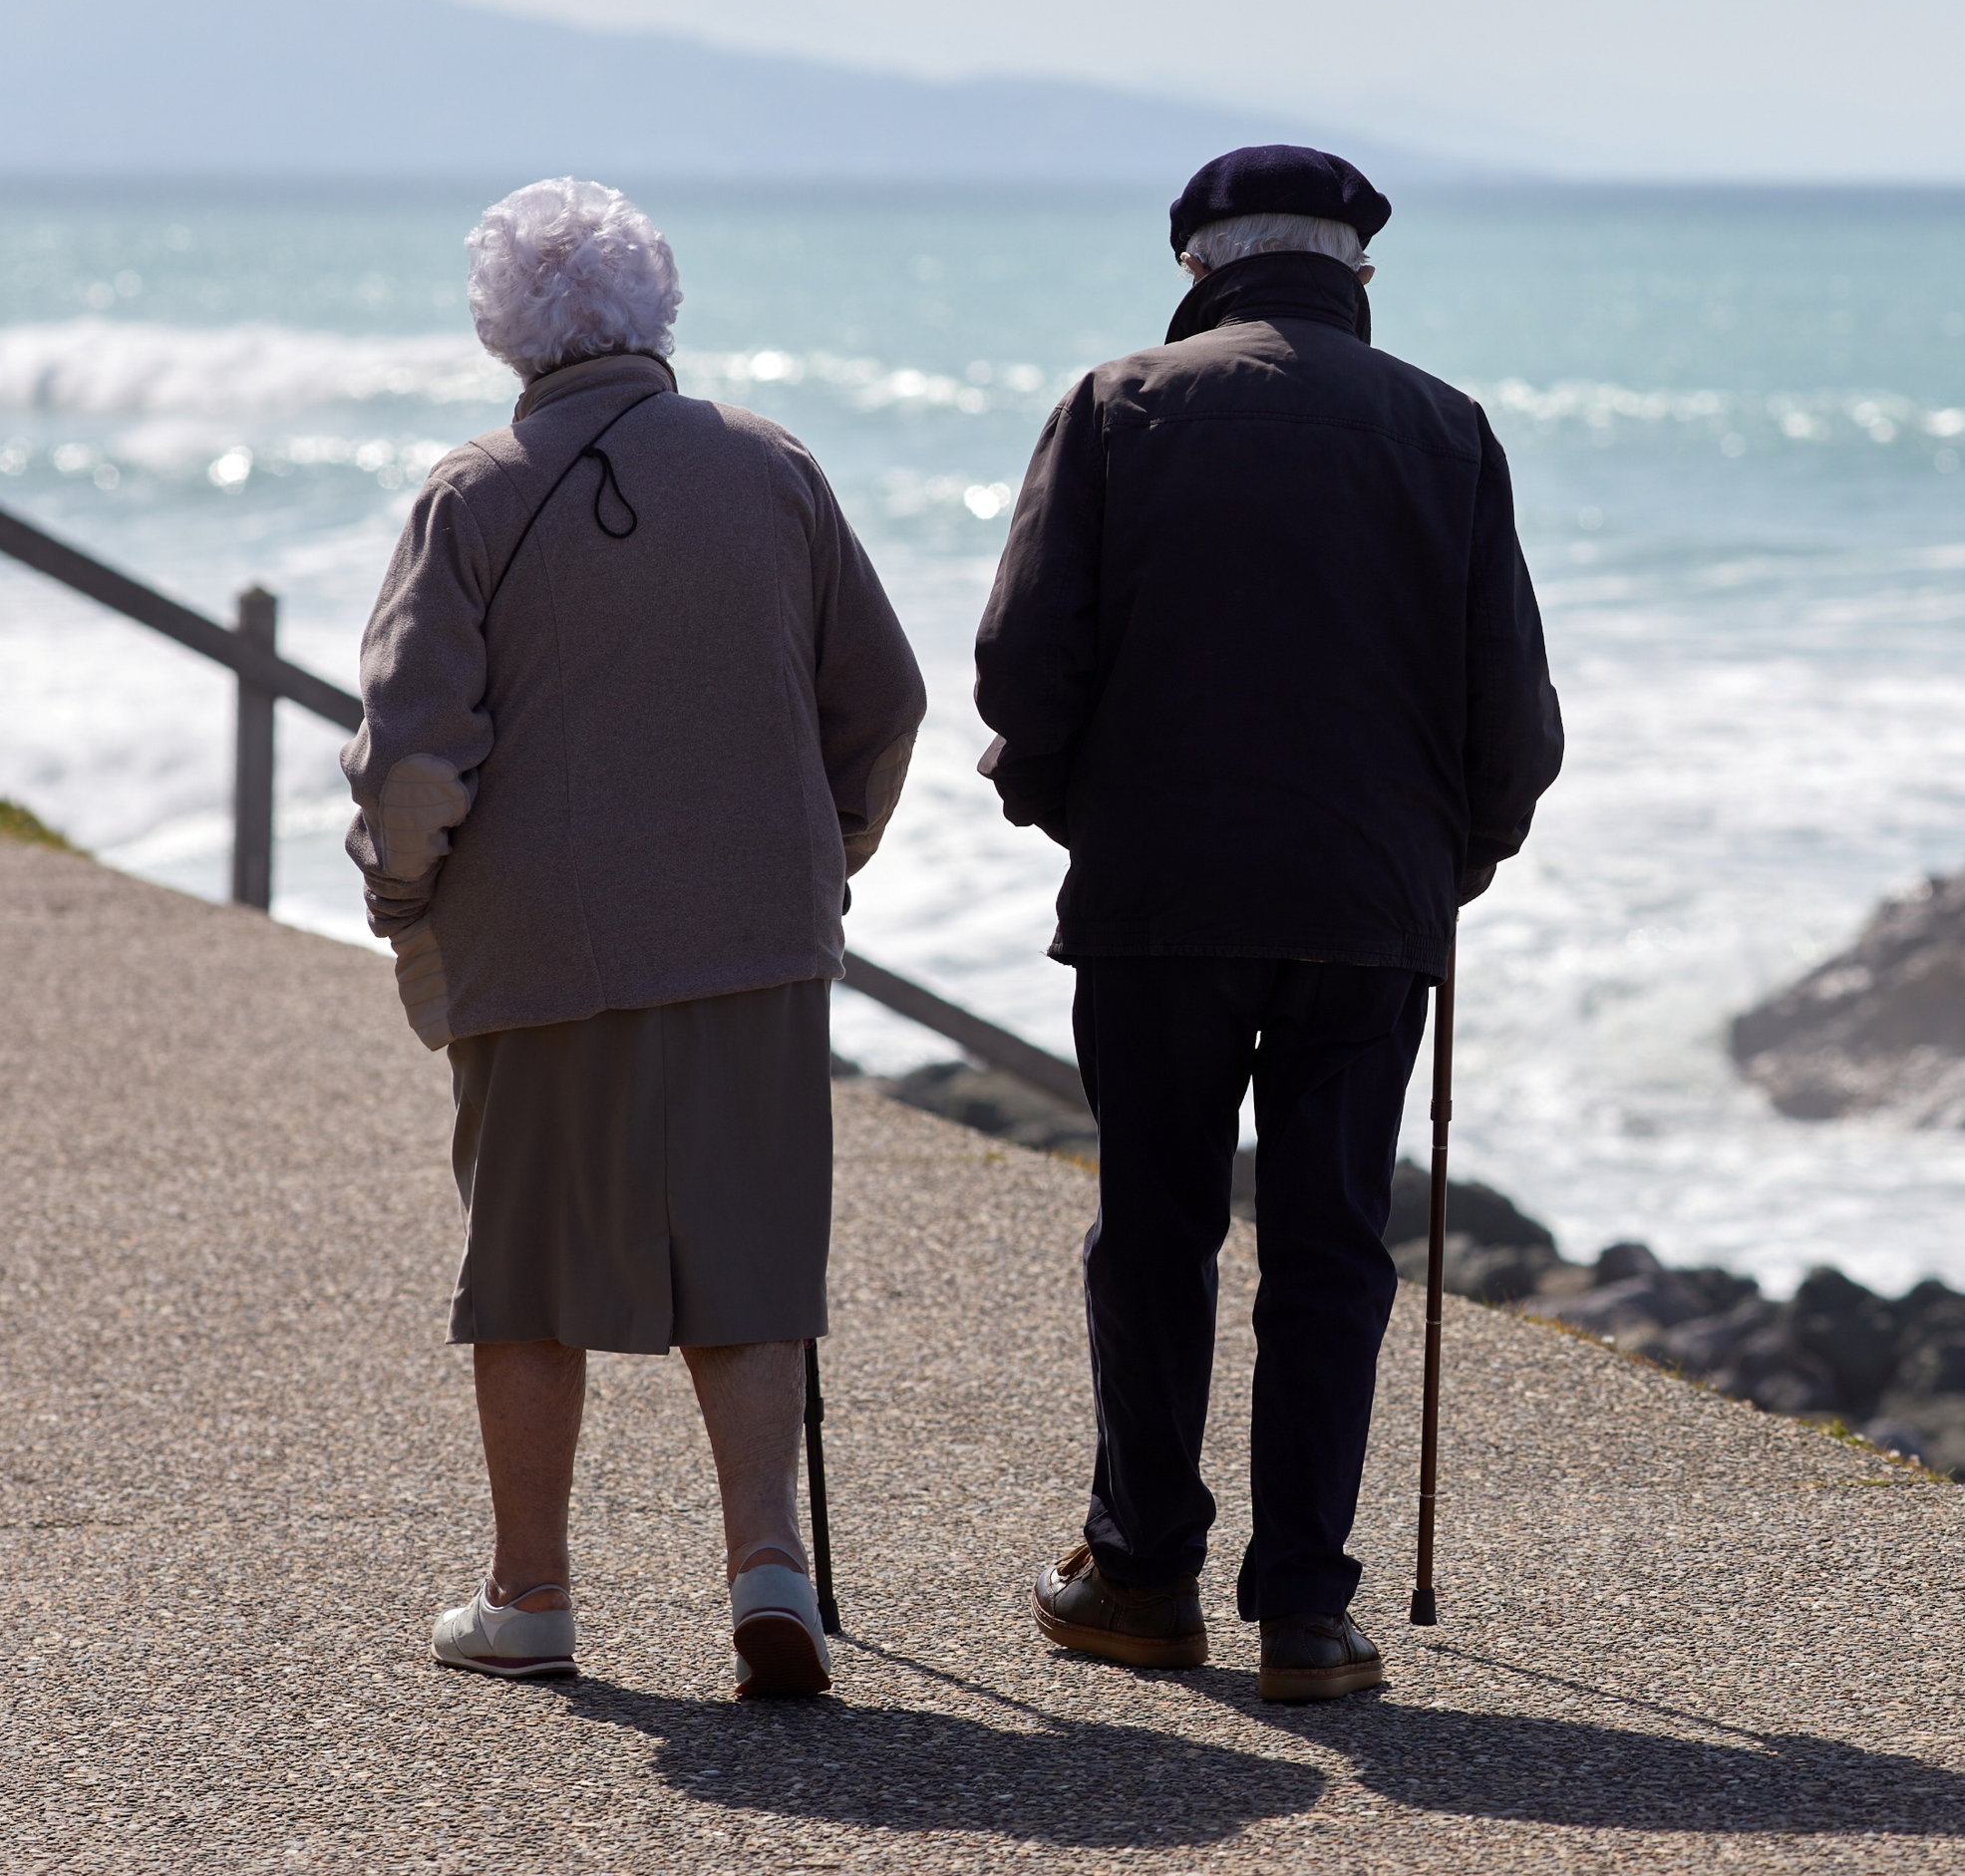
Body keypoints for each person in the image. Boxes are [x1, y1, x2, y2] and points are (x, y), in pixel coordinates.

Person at [974, 146, 1562, 1702]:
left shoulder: (1116, 407)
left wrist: (1066, 805)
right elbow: (1509, 719)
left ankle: (1142, 1574)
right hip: (1370, 908)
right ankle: (1305, 1608)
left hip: (1159, 896)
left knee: (1155, 1230)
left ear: (1197, 267)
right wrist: (1449, 863)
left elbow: (1022, 674)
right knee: (1331, 1247)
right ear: (1356, 272)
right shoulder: (1447, 429)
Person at [343, 178, 925, 1697]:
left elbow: (414, 759)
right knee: (743, 1249)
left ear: (502, 328)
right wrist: (821, 858)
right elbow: (884, 700)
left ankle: (529, 1592)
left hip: (539, 940)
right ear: (654, 306)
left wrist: (400, 898)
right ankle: (767, 1568)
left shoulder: (470, 491)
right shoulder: (771, 467)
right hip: (753, 926)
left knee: (530, 1262)